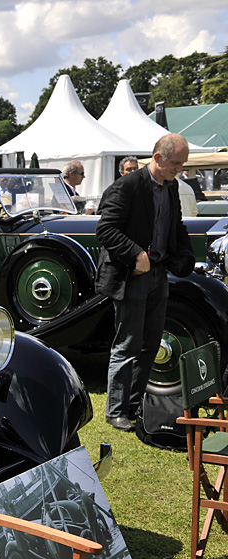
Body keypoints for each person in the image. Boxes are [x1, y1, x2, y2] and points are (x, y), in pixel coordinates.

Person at [94, 133, 193, 431]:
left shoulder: (171, 185)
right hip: (132, 276)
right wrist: (136, 254)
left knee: (151, 344)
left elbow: (175, 225)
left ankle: (134, 406)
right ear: (158, 157)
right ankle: (115, 411)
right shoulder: (126, 186)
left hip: (158, 274)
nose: (181, 169)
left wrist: (184, 257)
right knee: (127, 344)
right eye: (176, 163)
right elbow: (105, 229)